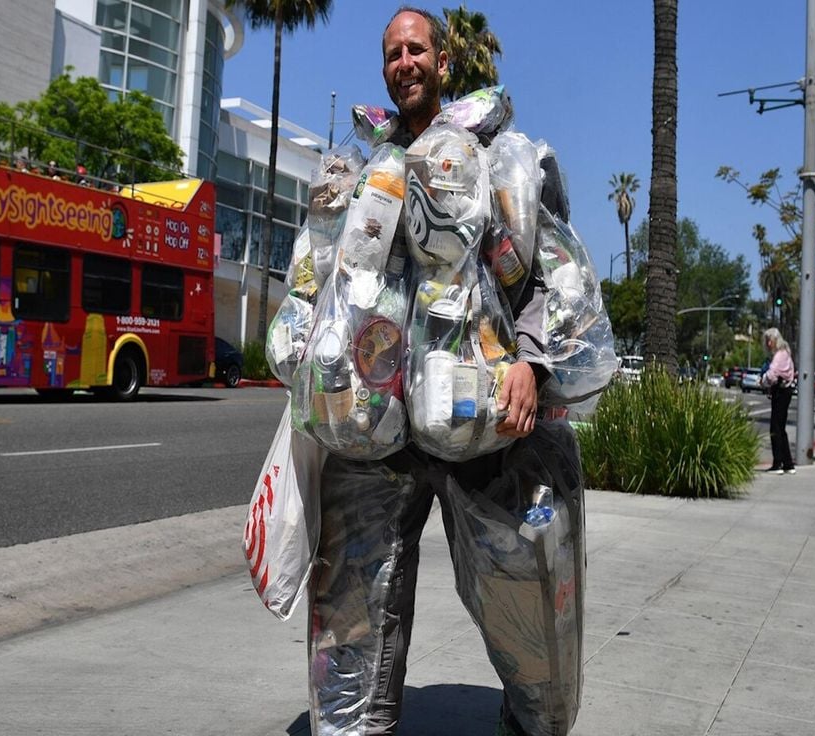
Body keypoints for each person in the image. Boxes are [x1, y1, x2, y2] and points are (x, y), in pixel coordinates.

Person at [300, 8, 582, 736]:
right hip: (376, 435)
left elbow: (556, 277)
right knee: (355, 602)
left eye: (416, 49)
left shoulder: (498, 159)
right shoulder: (362, 168)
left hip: (481, 425)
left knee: (519, 594)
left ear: (444, 61)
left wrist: (531, 364)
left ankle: (535, 721)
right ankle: (353, 722)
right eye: (392, 53)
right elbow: (321, 282)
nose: (404, 63)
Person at [762, 327, 796, 474]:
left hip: (781, 391)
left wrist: (763, 381)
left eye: (769, 340)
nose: (768, 343)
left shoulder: (779, 355)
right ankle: (787, 463)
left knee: (775, 428)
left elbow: (772, 374)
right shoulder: (785, 353)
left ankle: (778, 463)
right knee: (780, 428)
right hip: (784, 391)